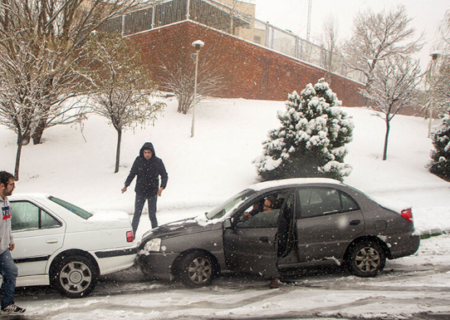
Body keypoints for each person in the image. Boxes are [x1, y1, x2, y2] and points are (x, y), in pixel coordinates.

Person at [122, 142, 168, 237]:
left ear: (152, 152)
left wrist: (162, 187)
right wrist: (126, 185)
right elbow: (132, 173)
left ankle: (155, 235)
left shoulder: (157, 161)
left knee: (152, 215)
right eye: (145, 152)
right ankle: (132, 235)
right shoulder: (139, 160)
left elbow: (164, 175)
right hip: (140, 191)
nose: (147, 154)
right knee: (136, 215)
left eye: (149, 152)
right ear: (142, 152)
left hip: (152, 192)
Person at [0, 171, 25, 314]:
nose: (13, 187)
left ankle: (7, 304)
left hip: (2, 248)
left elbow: (7, 222)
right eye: (11, 184)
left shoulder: (6, 202)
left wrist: (10, 239)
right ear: (1, 185)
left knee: (11, 272)